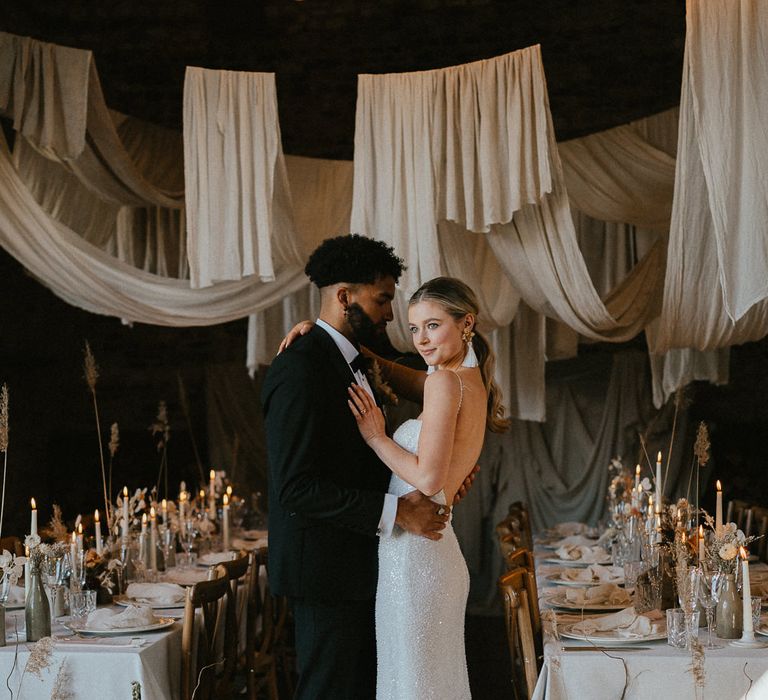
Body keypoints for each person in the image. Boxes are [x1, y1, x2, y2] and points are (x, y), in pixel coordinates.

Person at [262, 235, 458, 700]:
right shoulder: (300, 368)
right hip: (325, 567)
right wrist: (398, 512)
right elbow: (296, 487)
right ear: (344, 297)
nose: (390, 313)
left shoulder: (351, 359)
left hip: (359, 560)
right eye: (382, 299)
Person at [346, 276, 508, 700]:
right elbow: (399, 375)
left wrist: (376, 436)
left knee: (414, 687)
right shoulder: (466, 380)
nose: (421, 339)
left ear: (466, 323)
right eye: (415, 328)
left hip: (416, 558)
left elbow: (430, 478)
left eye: (433, 325)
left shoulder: (444, 383)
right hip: (428, 554)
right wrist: (342, 343)